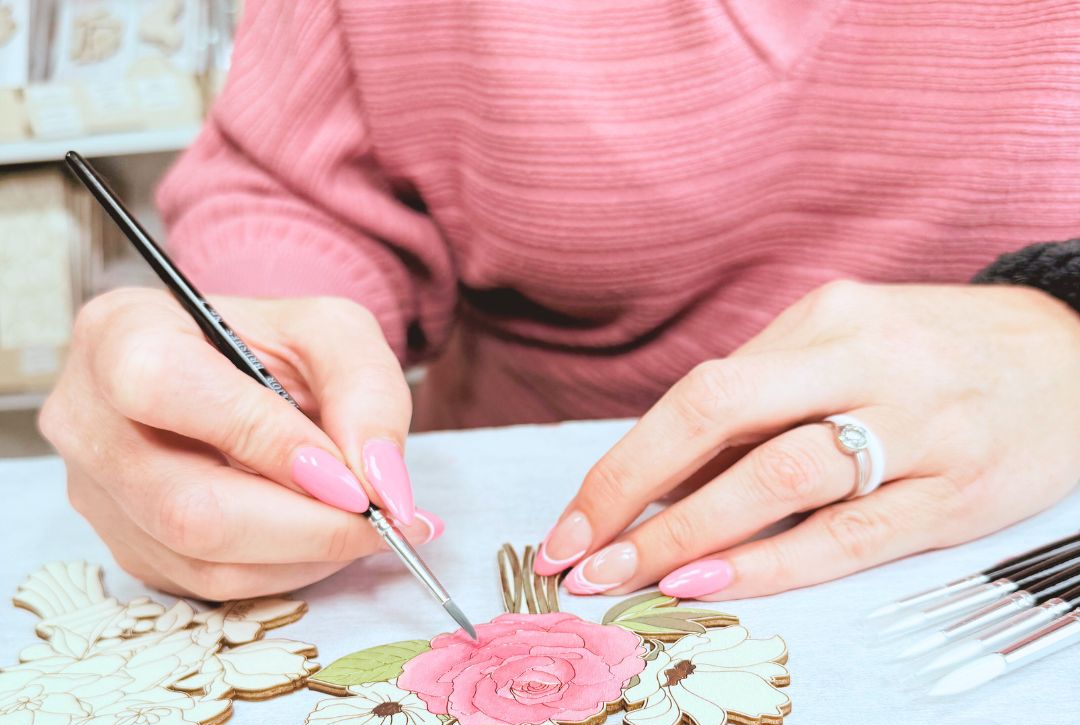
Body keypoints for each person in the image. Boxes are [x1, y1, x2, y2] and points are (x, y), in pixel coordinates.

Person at [40, 0, 1080, 602]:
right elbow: (298, 189)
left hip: (1024, 562)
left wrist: (1062, 318)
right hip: (505, 528)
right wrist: (263, 354)